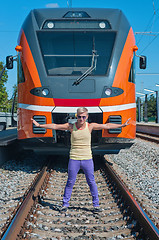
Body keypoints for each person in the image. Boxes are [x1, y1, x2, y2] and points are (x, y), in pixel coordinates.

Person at [31, 107, 130, 213]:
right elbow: (55, 126)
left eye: (83, 117)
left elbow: (107, 125)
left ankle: (96, 205)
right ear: (76, 116)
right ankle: (65, 204)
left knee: (91, 181)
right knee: (70, 182)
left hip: (87, 159)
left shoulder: (90, 126)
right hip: (74, 159)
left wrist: (122, 125)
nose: (81, 119)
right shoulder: (71, 126)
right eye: (79, 117)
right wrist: (39, 125)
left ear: (87, 117)